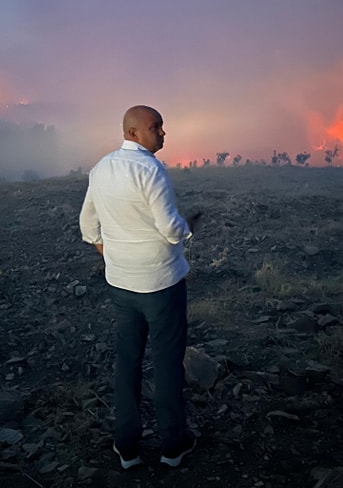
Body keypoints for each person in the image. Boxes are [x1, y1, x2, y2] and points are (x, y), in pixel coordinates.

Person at [79, 105, 202, 470]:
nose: (163, 133)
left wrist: (113, 256)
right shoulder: (151, 171)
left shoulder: (101, 169)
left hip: (121, 285)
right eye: (156, 127)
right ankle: (172, 447)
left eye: (162, 126)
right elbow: (170, 229)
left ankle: (127, 447)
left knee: (127, 362)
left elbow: (88, 227)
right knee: (166, 363)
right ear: (133, 133)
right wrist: (189, 226)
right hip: (162, 285)